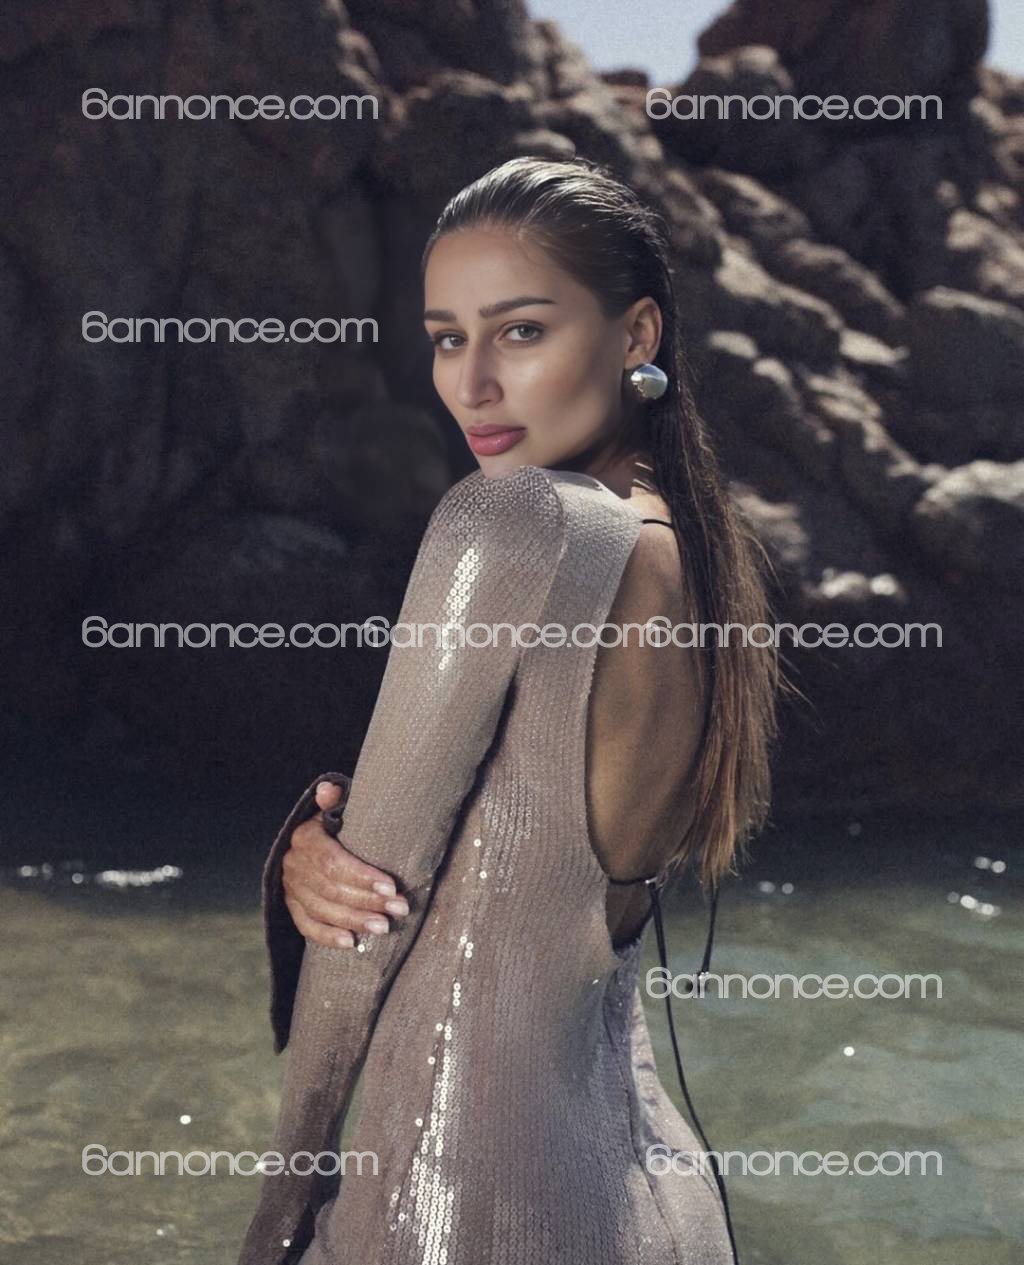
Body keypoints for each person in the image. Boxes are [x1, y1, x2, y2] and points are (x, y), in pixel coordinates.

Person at [238, 155, 779, 1265]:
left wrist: (280, 1225)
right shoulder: (698, 553)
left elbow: (361, 936)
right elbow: (546, 870)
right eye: (448, 338)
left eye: (520, 331)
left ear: (637, 334)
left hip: (458, 1195)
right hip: (653, 1194)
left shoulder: (517, 522)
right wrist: (327, 840)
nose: (472, 384)